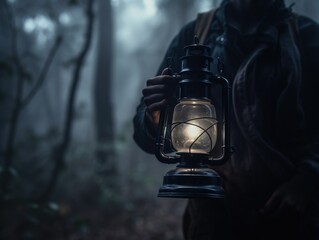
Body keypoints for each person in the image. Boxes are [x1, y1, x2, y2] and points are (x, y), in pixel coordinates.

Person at [133, 0, 319, 239]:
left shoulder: (305, 37)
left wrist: (307, 178)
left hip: (289, 214)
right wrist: (155, 115)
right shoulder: (196, 34)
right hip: (213, 219)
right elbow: (144, 135)